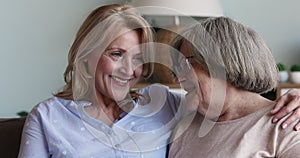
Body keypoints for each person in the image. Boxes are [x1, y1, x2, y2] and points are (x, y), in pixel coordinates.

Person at [18, 4, 300, 158]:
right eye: (117, 54)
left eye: (139, 58)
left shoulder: (165, 103)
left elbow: (239, 105)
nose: (130, 70)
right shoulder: (47, 117)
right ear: (86, 57)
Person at [169, 17, 300, 158]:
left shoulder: (287, 123)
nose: (178, 79)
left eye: (185, 65)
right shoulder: (183, 126)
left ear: (220, 62)